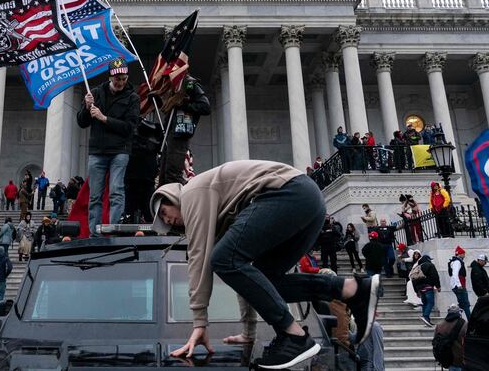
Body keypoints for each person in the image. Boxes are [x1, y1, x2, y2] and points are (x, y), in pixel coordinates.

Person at [150, 160, 382, 369]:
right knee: (263, 278)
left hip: (290, 193)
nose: (167, 220)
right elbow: (247, 280)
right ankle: (351, 289)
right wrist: (249, 332)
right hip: (308, 202)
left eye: (164, 212)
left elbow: (199, 260)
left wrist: (199, 323)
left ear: (172, 197)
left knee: (222, 258)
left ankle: (295, 336)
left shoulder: (192, 193)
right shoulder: (218, 213)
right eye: (164, 223)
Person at [77, 58, 140, 237]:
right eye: (117, 78)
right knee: (95, 196)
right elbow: (82, 122)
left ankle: (114, 232)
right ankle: (95, 234)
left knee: (116, 191)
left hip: (120, 150)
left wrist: (104, 118)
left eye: (124, 78)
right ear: (110, 77)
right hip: (97, 151)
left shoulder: (132, 97)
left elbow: (130, 127)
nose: (120, 82)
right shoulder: (96, 93)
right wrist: (87, 107)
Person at [158, 74, 211, 185]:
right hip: (169, 134)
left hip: (180, 134)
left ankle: (177, 200)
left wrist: (184, 105)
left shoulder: (189, 84)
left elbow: (205, 107)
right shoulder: (171, 85)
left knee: (173, 175)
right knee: (163, 175)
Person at [432, 304, 468, 371]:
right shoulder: (464, 324)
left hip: (447, 359)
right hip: (460, 359)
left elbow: (435, 342)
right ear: (459, 312)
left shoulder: (439, 325)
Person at [410, 253, 441, 327]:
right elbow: (435, 276)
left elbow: (413, 280)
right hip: (428, 287)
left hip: (420, 289)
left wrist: (416, 291)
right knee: (430, 303)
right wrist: (438, 286)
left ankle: (426, 320)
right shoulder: (430, 265)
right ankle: (425, 317)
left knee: (425, 303)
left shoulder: (417, 267)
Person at [449, 246, 471, 317]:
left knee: (462, 304)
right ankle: (471, 322)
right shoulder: (457, 262)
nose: (464, 255)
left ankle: (457, 318)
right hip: (459, 286)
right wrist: (459, 285)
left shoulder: (454, 262)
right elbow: (455, 274)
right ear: (460, 254)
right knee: (466, 304)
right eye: (463, 254)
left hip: (456, 286)